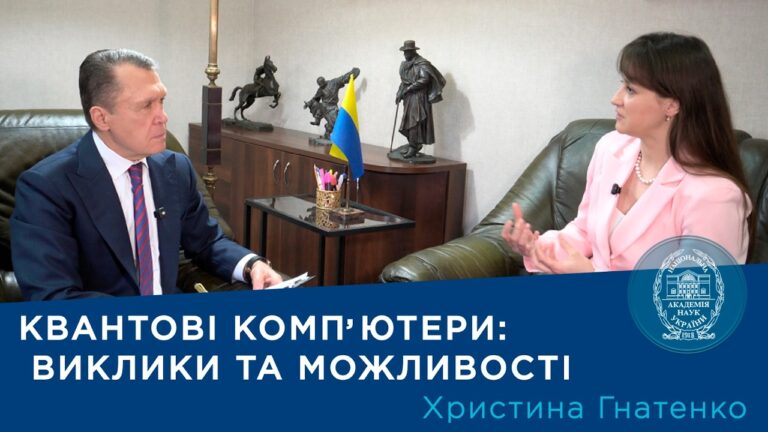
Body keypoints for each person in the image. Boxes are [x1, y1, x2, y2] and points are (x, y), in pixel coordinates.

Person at [10, 49, 282, 300]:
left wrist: (251, 265)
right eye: (146, 105)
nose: (162, 117)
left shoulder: (175, 168)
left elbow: (207, 242)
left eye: (161, 101)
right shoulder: (46, 187)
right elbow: (54, 296)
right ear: (102, 118)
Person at [502, 32, 753, 273]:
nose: (615, 98)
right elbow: (585, 231)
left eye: (631, 89)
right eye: (621, 85)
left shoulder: (714, 196)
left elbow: (697, 297)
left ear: (671, 105)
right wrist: (535, 247)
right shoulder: (610, 148)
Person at [395, 40, 446, 159]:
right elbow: (404, 82)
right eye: (404, 52)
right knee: (408, 121)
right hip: (409, 97)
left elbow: (424, 79)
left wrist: (408, 89)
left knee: (415, 121)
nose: (405, 54)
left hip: (418, 97)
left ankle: (413, 147)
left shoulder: (421, 64)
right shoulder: (405, 65)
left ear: (413, 51)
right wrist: (399, 93)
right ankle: (413, 145)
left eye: (407, 52)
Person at [304, 67, 360, 138]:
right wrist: (308, 103)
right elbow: (315, 98)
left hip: (332, 107)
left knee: (335, 123)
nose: (321, 85)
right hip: (324, 107)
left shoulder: (333, 83)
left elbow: (343, 78)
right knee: (316, 106)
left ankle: (327, 134)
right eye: (319, 85)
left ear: (324, 80)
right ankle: (317, 121)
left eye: (322, 83)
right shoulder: (320, 89)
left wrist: (352, 74)